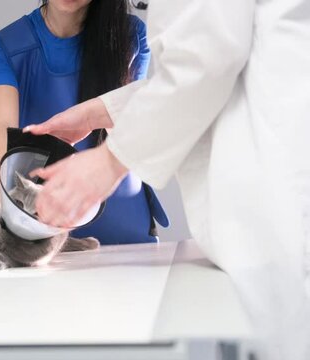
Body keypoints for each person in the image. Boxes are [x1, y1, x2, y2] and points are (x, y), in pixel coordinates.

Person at [26, 0, 310, 359]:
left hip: (286, 194)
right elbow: (213, 51)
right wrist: (100, 112)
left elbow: (206, 56)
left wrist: (109, 161)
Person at [0, 0, 168, 245]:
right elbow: (1, 128)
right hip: (44, 223)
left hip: (124, 213)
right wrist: (0, 205)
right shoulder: (9, 45)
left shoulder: (131, 34)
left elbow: (136, 117)